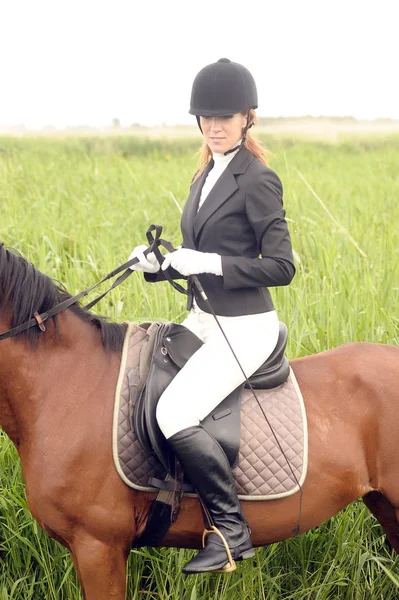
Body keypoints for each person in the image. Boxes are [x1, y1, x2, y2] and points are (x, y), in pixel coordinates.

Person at [129, 58, 295, 574]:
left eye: (225, 117)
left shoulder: (257, 179)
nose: (214, 126)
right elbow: (197, 250)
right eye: (205, 117)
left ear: (248, 118)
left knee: (174, 412)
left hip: (245, 328)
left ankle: (230, 532)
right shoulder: (206, 172)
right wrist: (161, 263)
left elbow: (282, 266)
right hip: (203, 317)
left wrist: (208, 263)